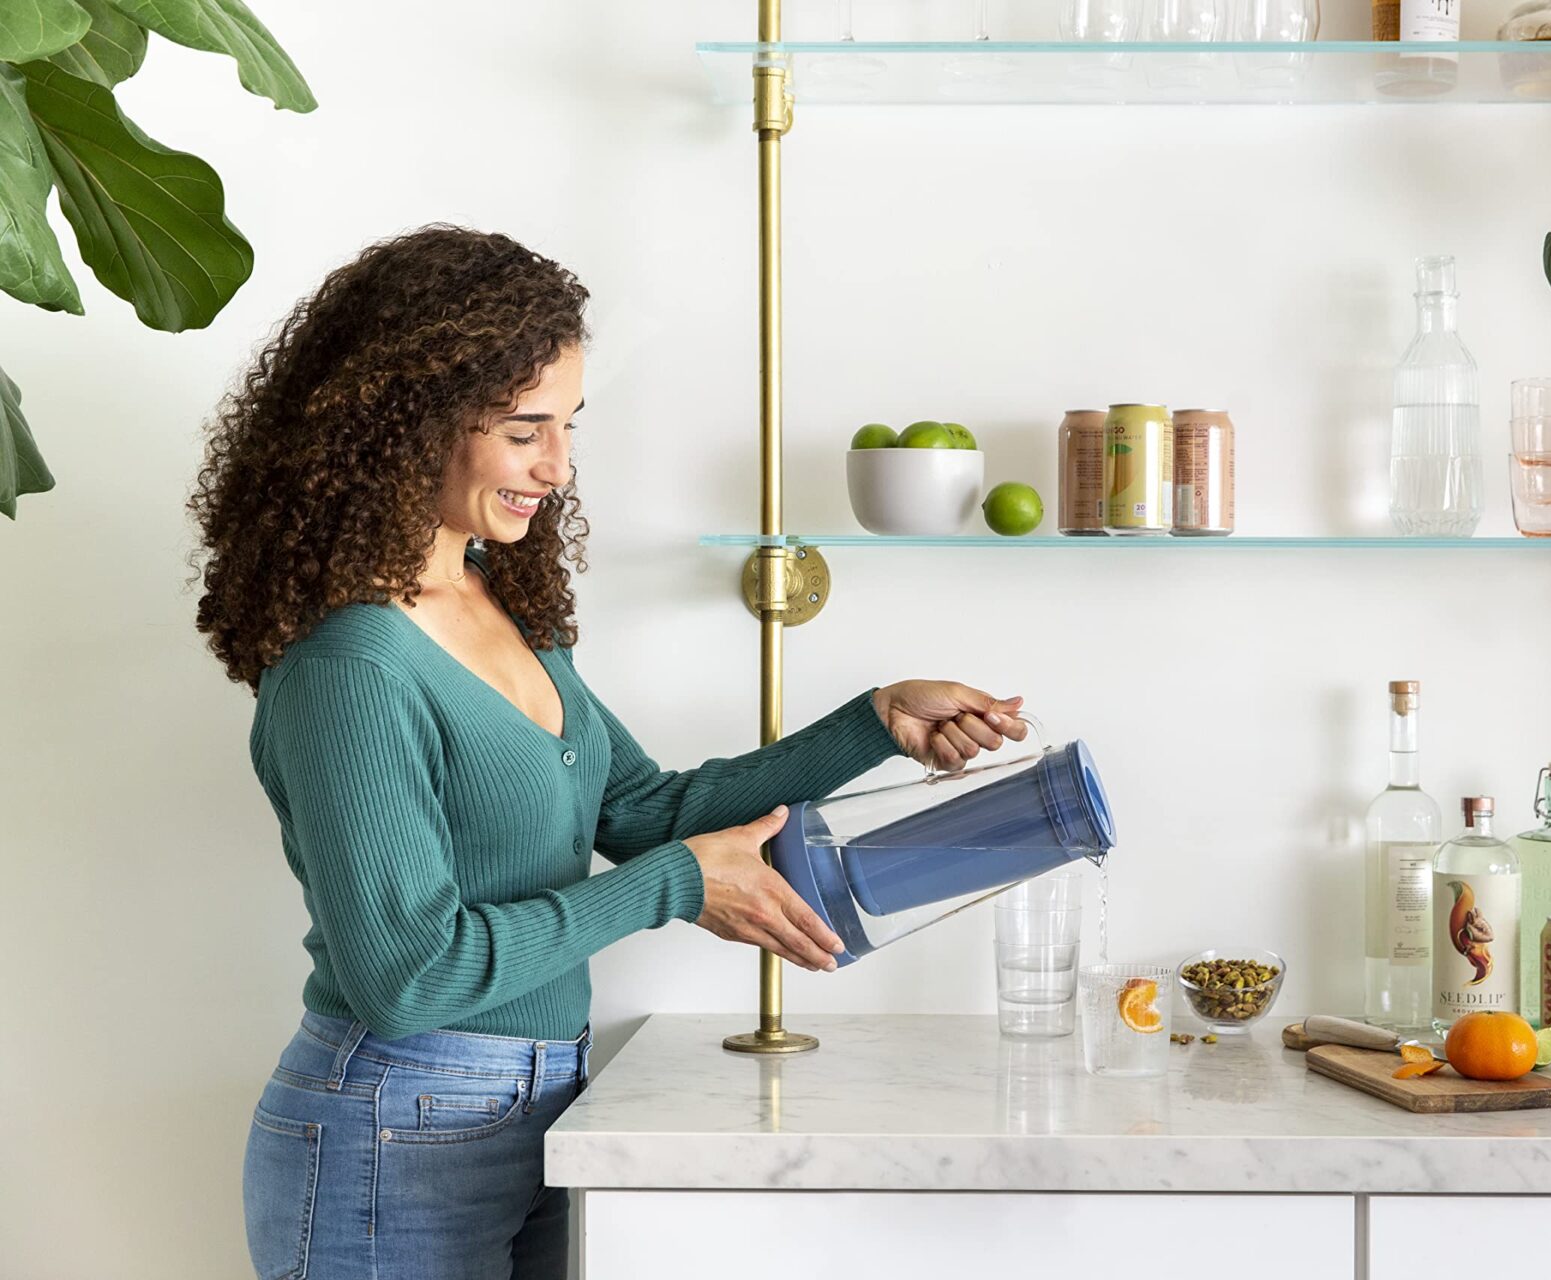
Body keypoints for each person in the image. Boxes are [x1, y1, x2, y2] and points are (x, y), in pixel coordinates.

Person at [189, 225, 1025, 1280]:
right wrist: (676, 885)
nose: (558, 466)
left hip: (539, 1101)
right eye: (524, 430)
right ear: (407, 422)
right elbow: (408, 973)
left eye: (567, 426)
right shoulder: (348, 666)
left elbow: (641, 810)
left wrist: (872, 722)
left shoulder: (498, 600)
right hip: (392, 1126)